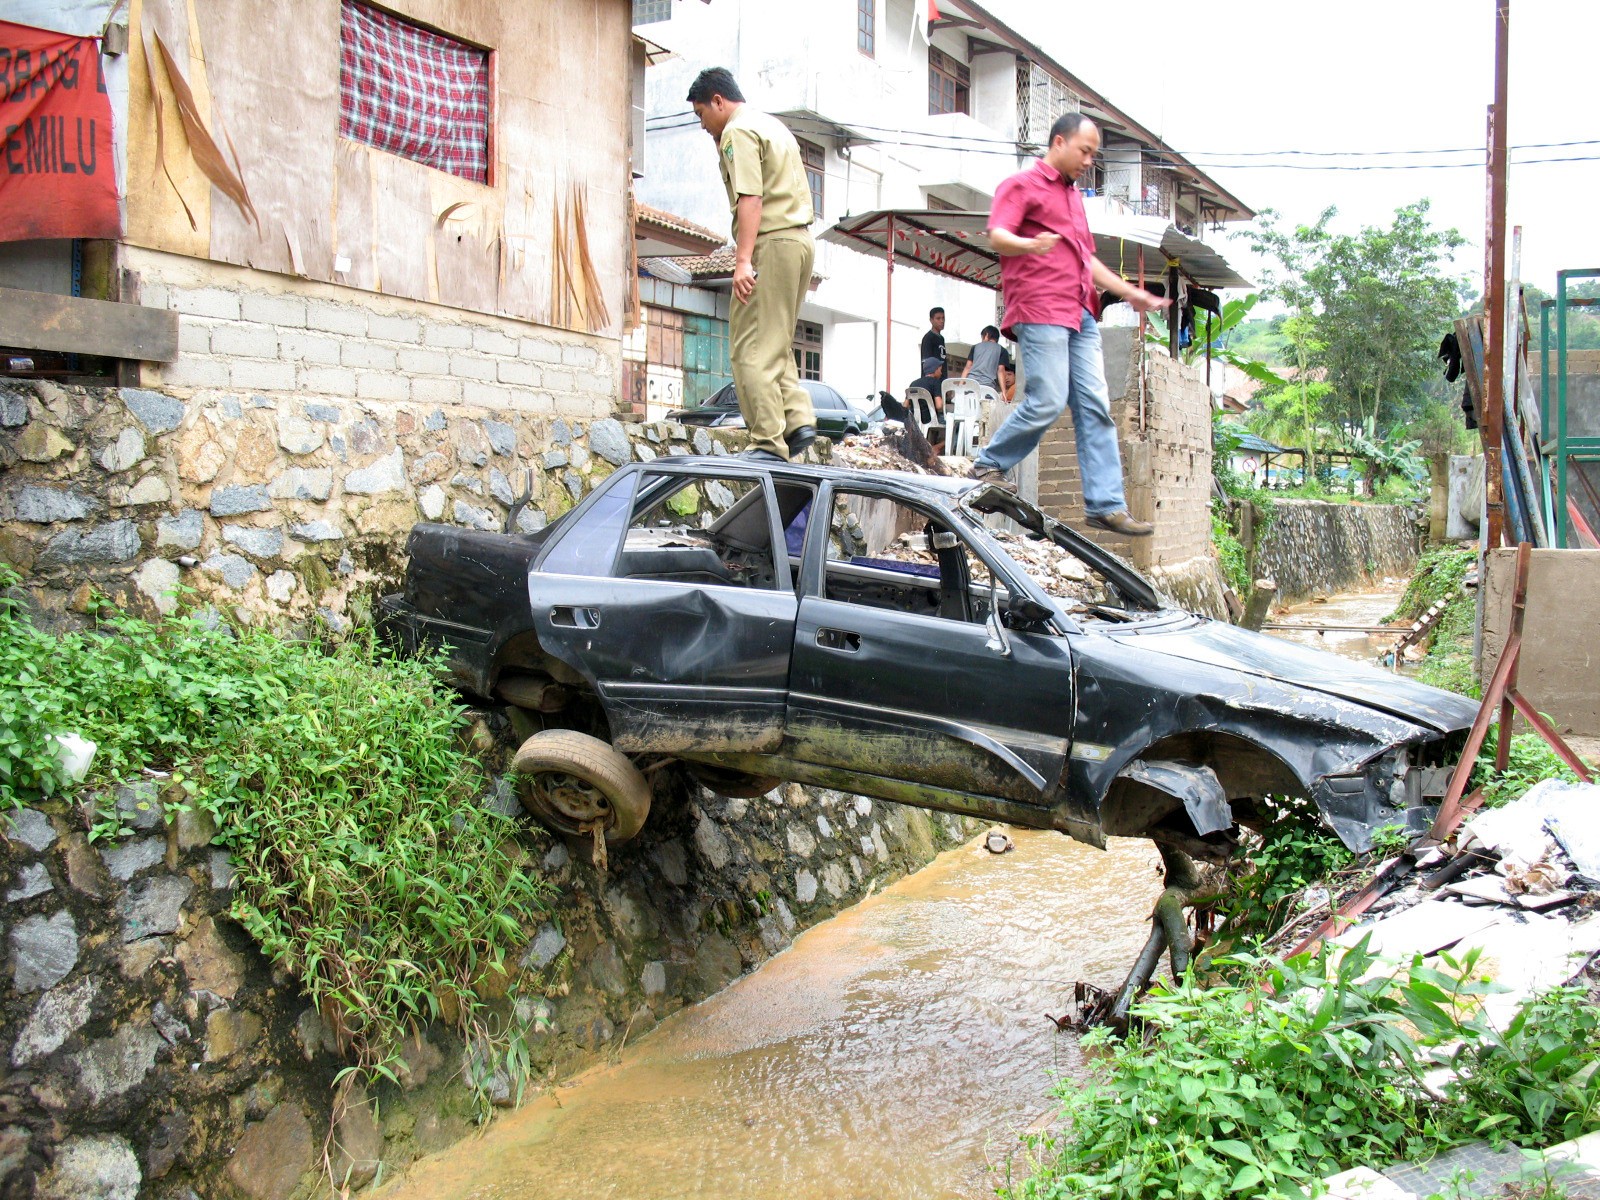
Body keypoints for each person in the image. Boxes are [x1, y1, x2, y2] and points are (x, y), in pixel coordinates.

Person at [968, 113, 1168, 537]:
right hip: (1041, 306)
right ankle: (988, 464)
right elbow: (998, 235)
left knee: (1095, 404)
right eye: (1085, 151)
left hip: (1081, 311)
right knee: (1047, 399)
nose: (1089, 161)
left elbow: (1086, 260)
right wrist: (1031, 244)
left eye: (1094, 154)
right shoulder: (1021, 185)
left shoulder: (1075, 198)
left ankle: (1105, 505)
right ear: (1059, 142)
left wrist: (1129, 292)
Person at [687, 67, 816, 463]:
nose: (703, 125)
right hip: (799, 242)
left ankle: (767, 443)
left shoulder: (737, 131)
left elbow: (751, 197)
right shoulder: (772, 125)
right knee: (775, 340)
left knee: (749, 347)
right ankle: (796, 421)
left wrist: (742, 261)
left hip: (771, 243)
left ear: (718, 101)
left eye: (701, 114)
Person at [959, 325, 1011, 390]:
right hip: (987, 386)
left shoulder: (975, 347)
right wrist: (1004, 391)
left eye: (982, 337)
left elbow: (968, 367)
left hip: (971, 384)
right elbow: (1001, 371)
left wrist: (960, 385)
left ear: (986, 335)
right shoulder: (1002, 350)